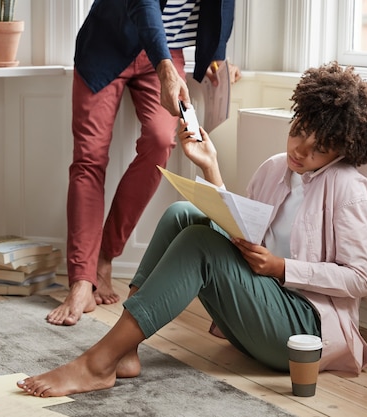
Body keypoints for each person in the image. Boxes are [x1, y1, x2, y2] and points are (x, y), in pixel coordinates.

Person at [19, 61, 367, 397]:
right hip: (262, 308)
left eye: (319, 148)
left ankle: (98, 364)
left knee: (199, 243)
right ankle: (125, 349)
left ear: (342, 152)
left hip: (302, 333)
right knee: (182, 213)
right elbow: (241, 234)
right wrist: (210, 167)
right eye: (300, 130)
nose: (300, 149)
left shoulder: (349, 189)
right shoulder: (276, 168)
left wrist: (281, 268)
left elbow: (359, 278)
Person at [48, 0, 242, 326]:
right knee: (89, 159)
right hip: (106, 46)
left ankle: (105, 257)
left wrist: (217, 55)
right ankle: (81, 280)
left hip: (167, 51)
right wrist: (165, 68)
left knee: (161, 140)